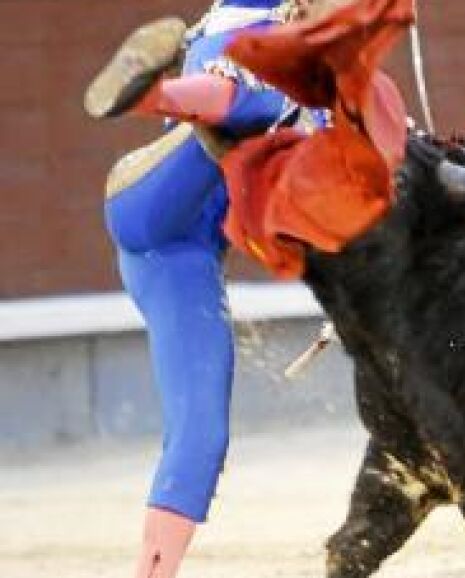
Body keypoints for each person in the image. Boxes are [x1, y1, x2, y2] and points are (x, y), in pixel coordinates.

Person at [84, 1, 326, 576]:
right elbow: (236, 81)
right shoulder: (247, 21)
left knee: (201, 438)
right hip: (146, 204)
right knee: (258, 101)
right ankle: (149, 96)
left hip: (184, 259)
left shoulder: (316, 74)